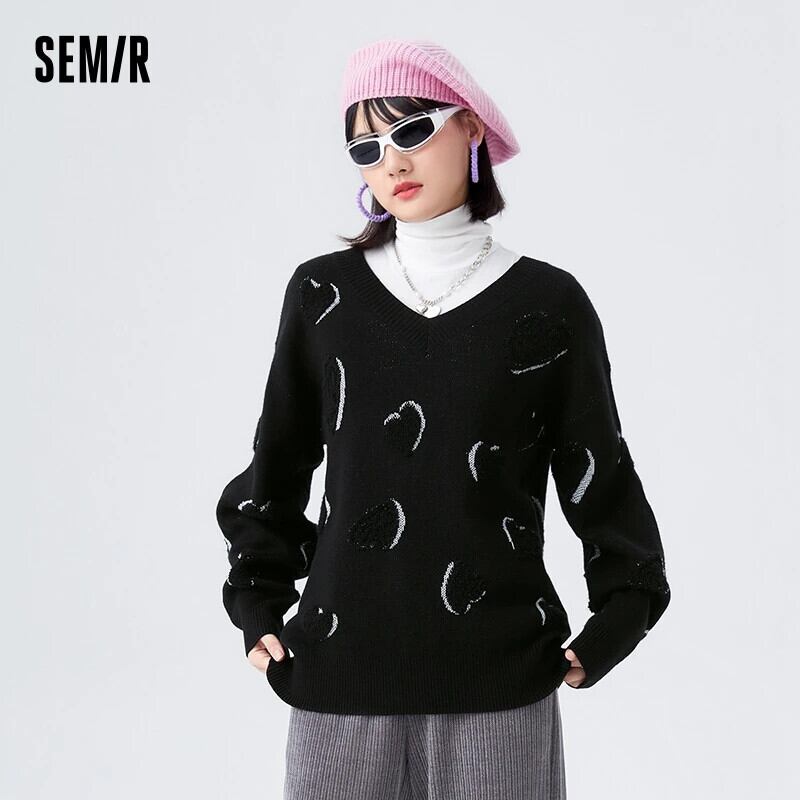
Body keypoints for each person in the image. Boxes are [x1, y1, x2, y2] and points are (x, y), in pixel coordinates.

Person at [216, 38, 671, 800]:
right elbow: (279, 459)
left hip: (499, 684)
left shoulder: (549, 306)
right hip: (338, 675)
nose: (392, 161)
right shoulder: (322, 298)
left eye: (412, 130)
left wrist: (618, 618)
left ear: (472, 128)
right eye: (366, 147)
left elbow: (601, 474)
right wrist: (256, 598)